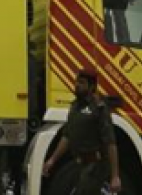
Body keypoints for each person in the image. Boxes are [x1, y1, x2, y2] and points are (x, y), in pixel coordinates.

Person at [42, 65, 122, 195]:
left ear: (92, 87)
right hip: (78, 165)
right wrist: (52, 160)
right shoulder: (75, 107)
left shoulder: (99, 108)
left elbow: (110, 143)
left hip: (95, 166)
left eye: (82, 83)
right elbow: (67, 136)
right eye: (77, 82)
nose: (77, 85)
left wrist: (115, 176)